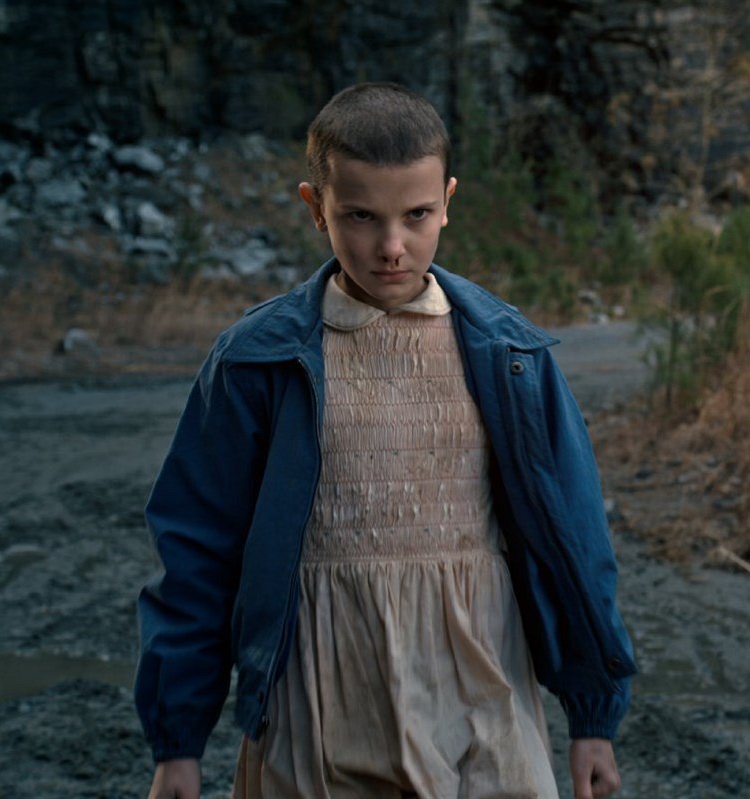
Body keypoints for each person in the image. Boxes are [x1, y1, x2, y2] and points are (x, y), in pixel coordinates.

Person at [136, 82, 634, 799]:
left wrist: (593, 716)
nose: (392, 247)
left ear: (448, 200)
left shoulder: (510, 354)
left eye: (417, 215)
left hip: (484, 692)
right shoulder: (257, 361)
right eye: (361, 216)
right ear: (316, 207)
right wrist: (177, 742)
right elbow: (196, 552)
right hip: (323, 698)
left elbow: (577, 538)